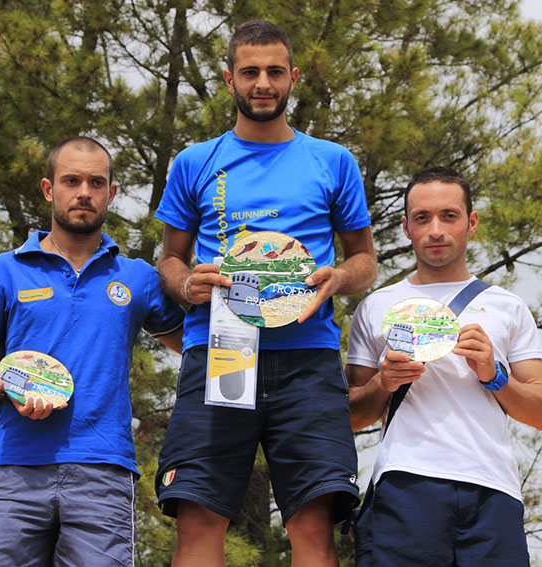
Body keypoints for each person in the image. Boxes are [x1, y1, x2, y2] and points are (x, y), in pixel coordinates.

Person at [154, 20, 377, 567]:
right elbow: (169, 261)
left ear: (293, 77)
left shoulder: (333, 161)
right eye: (250, 72)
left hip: (306, 360)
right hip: (220, 354)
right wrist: (186, 284)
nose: (262, 83)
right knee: (199, 519)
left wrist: (337, 279)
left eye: (275, 72)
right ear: (229, 78)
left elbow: (365, 261)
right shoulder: (194, 161)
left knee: (314, 523)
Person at [0, 136, 185, 567]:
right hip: (11, 469)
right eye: (71, 180)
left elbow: (194, 347)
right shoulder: (5, 270)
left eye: (96, 182)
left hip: (104, 470)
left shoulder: (137, 277)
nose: (84, 192)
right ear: (48, 189)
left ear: (111, 194)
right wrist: (6, 385)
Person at [346, 166, 542, 567]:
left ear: (471, 222)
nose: (436, 230)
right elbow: (352, 415)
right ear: (406, 228)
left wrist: (496, 376)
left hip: (492, 491)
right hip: (404, 484)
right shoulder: (375, 307)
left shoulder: (507, 306)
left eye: (449, 216)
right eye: (422, 218)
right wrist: (384, 382)